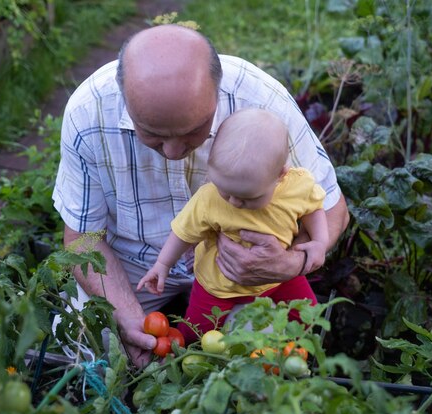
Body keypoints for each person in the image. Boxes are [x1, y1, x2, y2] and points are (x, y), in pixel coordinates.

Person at [52, 24, 350, 367]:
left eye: (194, 130)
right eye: (151, 134)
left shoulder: (261, 103)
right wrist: (129, 318)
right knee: (79, 339)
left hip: (242, 268)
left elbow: (331, 207)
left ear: (217, 92)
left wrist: (288, 263)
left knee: (257, 359)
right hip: (136, 263)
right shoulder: (88, 112)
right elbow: (82, 237)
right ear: (125, 100)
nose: (174, 150)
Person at [136, 108, 329, 341]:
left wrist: (319, 242)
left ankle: (291, 356)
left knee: (308, 315)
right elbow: (183, 232)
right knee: (196, 333)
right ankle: (185, 359)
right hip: (218, 287)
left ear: (280, 175)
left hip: (279, 277)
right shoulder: (208, 198)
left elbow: (313, 208)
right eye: (225, 192)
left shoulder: (296, 186)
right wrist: (162, 264)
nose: (234, 202)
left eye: (248, 198)